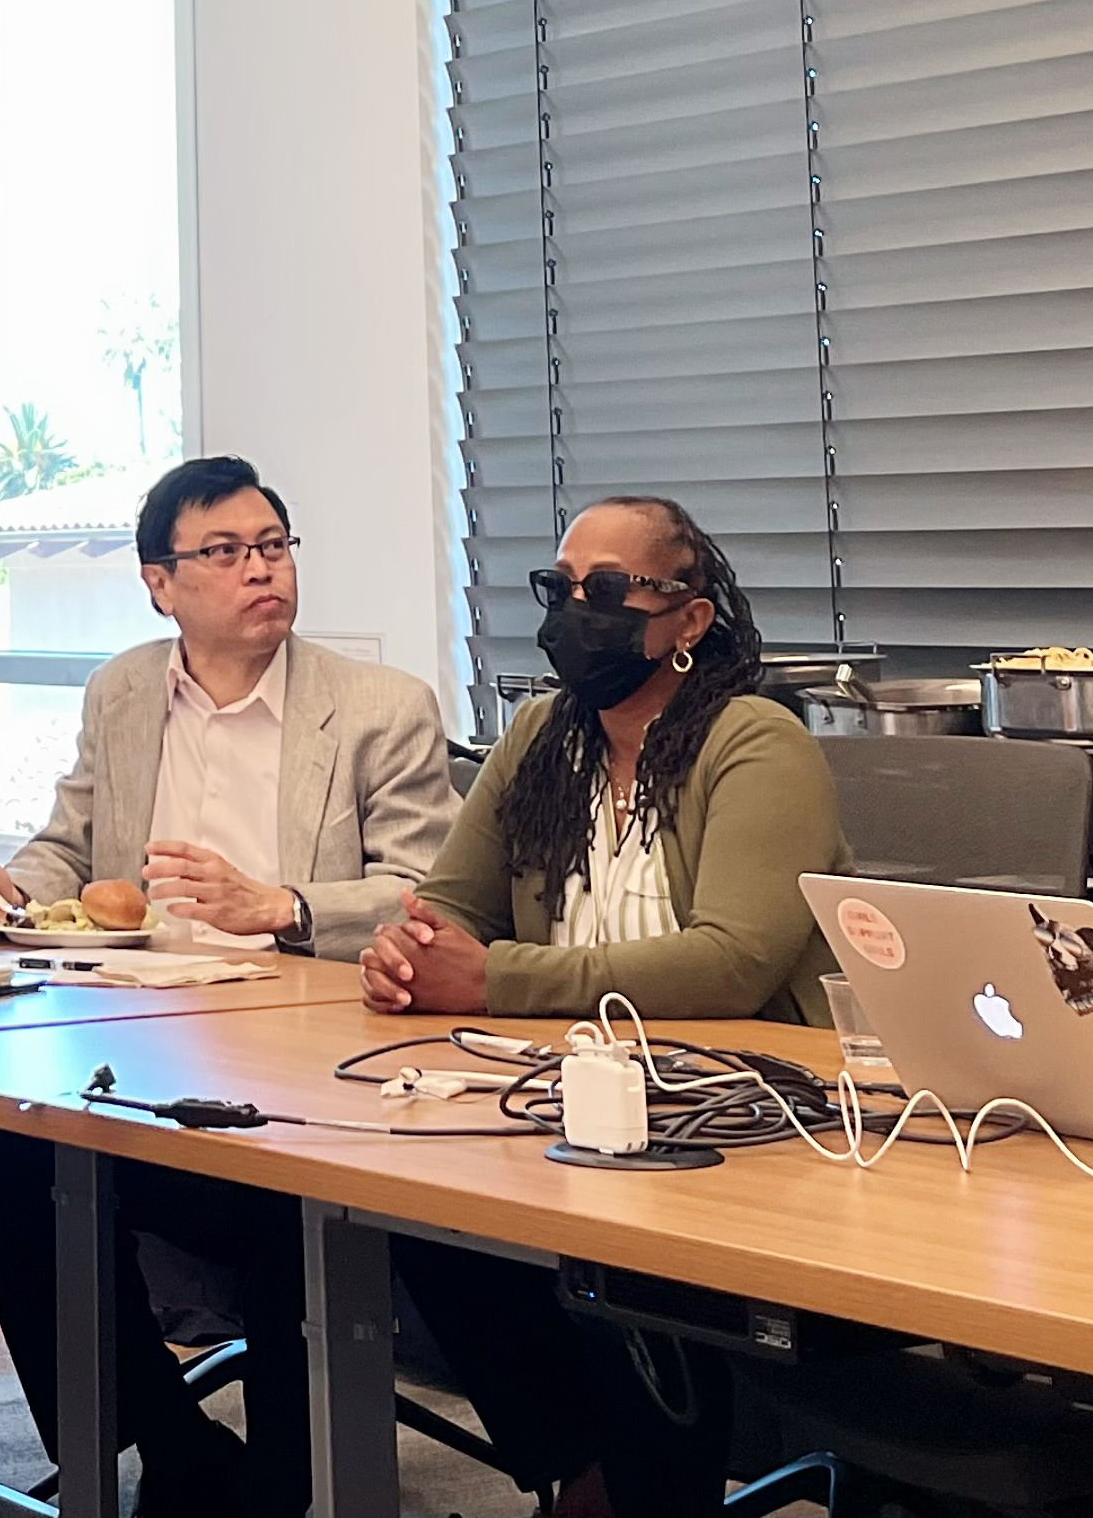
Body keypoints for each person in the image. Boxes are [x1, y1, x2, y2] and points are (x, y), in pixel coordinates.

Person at [0, 455, 456, 1517]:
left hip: (298, 1072)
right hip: (134, 1047)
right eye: (223, 551)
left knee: (278, 1210)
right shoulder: (123, 690)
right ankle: (171, 1446)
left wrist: (282, 903)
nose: (259, 568)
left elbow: (425, 891)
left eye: (272, 544)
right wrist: (4, 889)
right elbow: (70, 845)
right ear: (158, 581)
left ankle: (283, 1484)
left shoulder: (376, 708)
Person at [360, 492, 846, 1515]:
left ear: (687, 618)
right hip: (559, 1092)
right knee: (403, 1203)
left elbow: (730, 965)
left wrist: (492, 976)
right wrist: (404, 954)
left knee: (630, 1261)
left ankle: (637, 1491)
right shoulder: (542, 731)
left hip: (742, 1111)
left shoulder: (752, 742)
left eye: (608, 589)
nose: (576, 610)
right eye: (562, 587)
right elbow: (447, 902)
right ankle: (579, 1468)